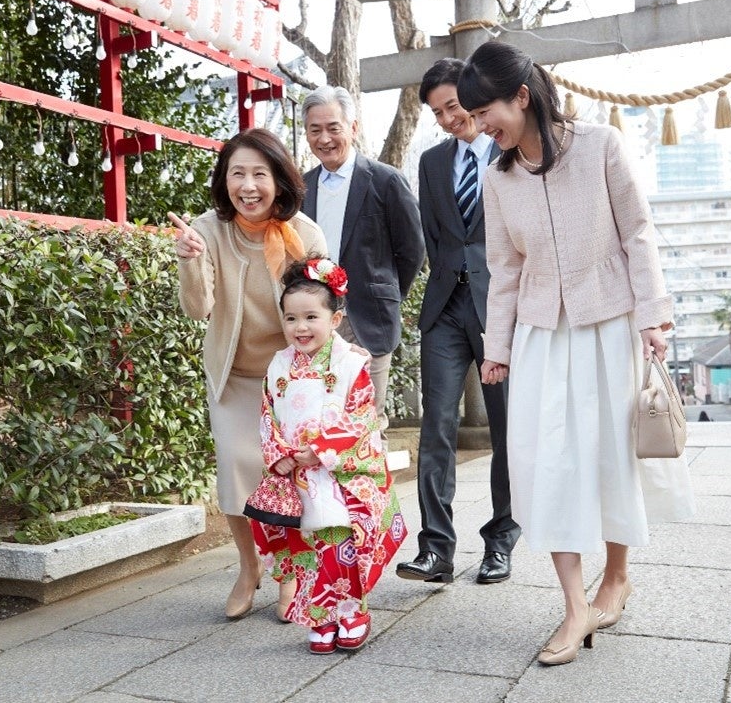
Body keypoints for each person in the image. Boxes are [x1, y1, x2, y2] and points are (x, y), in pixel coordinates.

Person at [457, 41, 695, 666]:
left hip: (609, 324)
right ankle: (573, 607)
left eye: (487, 114)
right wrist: (497, 347)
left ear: (522, 97)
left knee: (610, 454)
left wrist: (653, 317)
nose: (482, 128)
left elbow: (637, 232)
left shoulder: (599, 146)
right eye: (474, 118)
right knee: (550, 464)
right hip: (540, 333)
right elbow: (503, 268)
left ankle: (615, 577)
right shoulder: (496, 176)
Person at [171, 128, 327, 622]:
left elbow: (323, 308)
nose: (249, 185)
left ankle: (291, 570)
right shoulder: (208, 229)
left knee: (290, 473)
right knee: (238, 468)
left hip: (291, 378)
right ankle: (247, 567)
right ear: (225, 180)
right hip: (235, 375)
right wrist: (191, 263)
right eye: (237, 173)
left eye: (260, 173)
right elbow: (199, 310)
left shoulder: (305, 234)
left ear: (279, 180)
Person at [396, 59, 521, 586]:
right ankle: (436, 549)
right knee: (437, 427)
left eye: (453, 106)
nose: (449, 119)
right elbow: (433, 236)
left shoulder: (511, 151)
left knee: (506, 430)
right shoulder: (429, 163)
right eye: (438, 112)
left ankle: (500, 540)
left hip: (502, 308)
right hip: (446, 307)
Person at [251, 257, 407, 654]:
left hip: (340, 471)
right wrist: (281, 455)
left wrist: (319, 450)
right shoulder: (278, 365)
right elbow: (268, 413)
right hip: (296, 472)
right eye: (290, 318)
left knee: (340, 539)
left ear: (335, 319)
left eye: (310, 317)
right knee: (308, 545)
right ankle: (320, 615)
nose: (300, 328)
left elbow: (359, 416)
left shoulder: (352, 363)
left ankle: (353, 612)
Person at [298, 86, 425, 432]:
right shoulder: (301, 187)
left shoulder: (385, 181)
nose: (324, 138)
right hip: (316, 321)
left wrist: (386, 293)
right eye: (315, 129)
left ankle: (374, 489)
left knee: (366, 423)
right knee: (319, 424)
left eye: (333, 127)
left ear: (352, 128)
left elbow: (412, 250)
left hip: (368, 320)